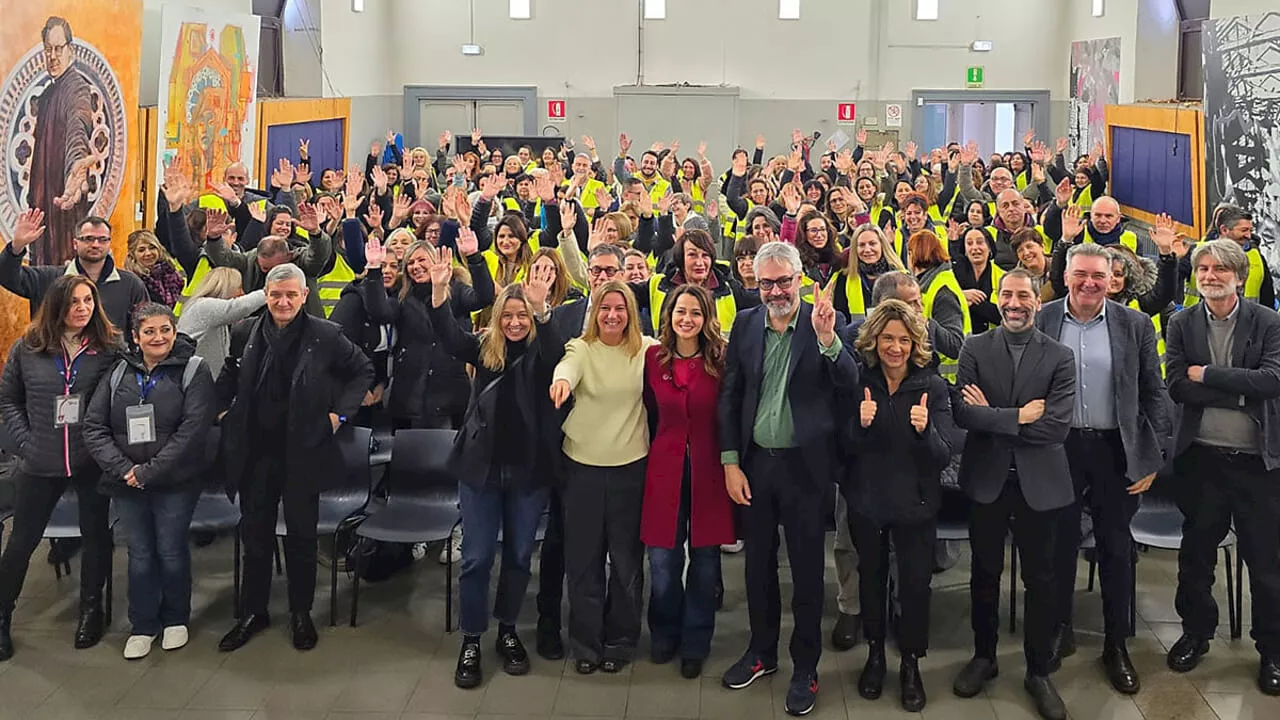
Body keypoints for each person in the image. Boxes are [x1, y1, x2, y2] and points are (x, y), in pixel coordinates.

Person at [719, 242, 858, 717]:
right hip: (755, 465)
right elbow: (731, 395)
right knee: (756, 569)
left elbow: (850, 385)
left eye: (784, 281)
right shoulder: (744, 324)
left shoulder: (825, 324)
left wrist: (828, 341)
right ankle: (761, 653)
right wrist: (730, 461)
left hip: (805, 468)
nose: (775, 291)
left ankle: (805, 667)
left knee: (804, 575)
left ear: (800, 278)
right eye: (766, 283)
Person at [215, 263, 372, 653]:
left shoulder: (326, 335)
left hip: (303, 450)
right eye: (275, 295)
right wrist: (221, 411)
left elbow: (362, 371)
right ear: (265, 296)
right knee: (255, 536)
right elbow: (228, 377)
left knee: (302, 537)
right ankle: (254, 612)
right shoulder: (244, 333)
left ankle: (301, 614)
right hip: (256, 452)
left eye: (291, 295)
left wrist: (340, 414)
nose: (283, 302)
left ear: (304, 296)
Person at [1035, 244, 1170, 694]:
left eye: (1098, 275)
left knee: (1116, 549)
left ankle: (1117, 644)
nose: (1089, 283)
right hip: (1060, 449)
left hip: (1115, 451)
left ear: (1113, 279)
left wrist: (1151, 457)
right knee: (1057, 546)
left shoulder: (1134, 324)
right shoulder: (1045, 318)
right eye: (1080, 274)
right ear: (1067, 275)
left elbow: (1153, 391)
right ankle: (1059, 631)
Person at [423, 246, 560, 688]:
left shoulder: (544, 353)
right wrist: (440, 290)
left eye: (523, 316)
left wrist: (542, 311)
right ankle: (472, 637)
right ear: (498, 318)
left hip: (528, 470)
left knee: (520, 556)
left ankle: (507, 630)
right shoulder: (485, 350)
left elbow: (558, 357)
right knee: (478, 557)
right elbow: (447, 336)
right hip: (480, 470)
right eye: (509, 316)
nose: (515, 322)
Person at [951, 268, 1076, 720]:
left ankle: (1038, 670)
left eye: (1023, 295)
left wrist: (997, 418)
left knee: (1040, 581)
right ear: (998, 300)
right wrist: (1019, 416)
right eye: (1007, 294)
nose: (1014, 302)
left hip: (1039, 485)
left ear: (1036, 301)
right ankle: (984, 657)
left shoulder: (1060, 356)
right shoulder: (974, 347)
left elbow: (1056, 427)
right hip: (987, 481)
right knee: (983, 575)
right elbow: (963, 414)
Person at [1165, 239, 1280, 696]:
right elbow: (1176, 385)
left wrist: (1208, 375)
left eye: (1219, 269)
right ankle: (1196, 634)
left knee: (1267, 563)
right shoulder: (1182, 323)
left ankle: (1272, 649)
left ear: (1238, 274)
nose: (1209, 276)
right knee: (1196, 557)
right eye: (1203, 268)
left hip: (1258, 464)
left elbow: (1272, 381)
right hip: (1202, 460)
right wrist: (1239, 392)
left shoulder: (1268, 322)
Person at [81, 303, 216, 660]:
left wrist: (148, 471)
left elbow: (192, 430)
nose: (159, 338)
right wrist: (125, 469)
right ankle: (143, 623)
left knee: (171, 550)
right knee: (139, 553)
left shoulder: (193, 370)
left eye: (165, 330)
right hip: (124, 480)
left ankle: (175, 618)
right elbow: (94, 427)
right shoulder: (117, 372)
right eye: (150, 332)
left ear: (175, 332)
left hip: (175, 481)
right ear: (136, 337)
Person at [0, 276, 122, 661]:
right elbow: (8, 401)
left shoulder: (109, 347)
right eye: (73, 302)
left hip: (90, 459)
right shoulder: (29, 348)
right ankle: (2, 617)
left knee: (96, 535)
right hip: (40, 460)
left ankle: (91, 611)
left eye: (88, 300)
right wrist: (24, 443)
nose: (82, 308)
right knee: (22, 542)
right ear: (56, 307)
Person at [846, 299, 956, 712]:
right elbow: (845, 448)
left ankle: (911, 662)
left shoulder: (932, 387)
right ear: (875, 340)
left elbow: (944, 455)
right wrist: (861, 423)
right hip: (868, 502)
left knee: (914, 586)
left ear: (915, 344)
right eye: (888, 338)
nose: (895, 347)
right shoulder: (859, 383)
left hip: (916, 504)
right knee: (871, 580)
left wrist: (925, 432)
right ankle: (875, 655)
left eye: (904, 340)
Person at [549, 281, 659, 674]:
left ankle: (621, 639)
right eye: (604, 308)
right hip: (582, 470)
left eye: (620, 308)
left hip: (631, 469)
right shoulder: (581, 348)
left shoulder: (646, 349)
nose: (612, 315)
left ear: (631, 312)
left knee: (627, 563)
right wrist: (562, 380)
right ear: (594, 312)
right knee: (583, 562)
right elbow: (568, 366)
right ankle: (586, 643)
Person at [535, 243, 628, 662]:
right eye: (596, 270)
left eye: (611, 270)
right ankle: (556, 626)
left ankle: (614, 635)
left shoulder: (636, 327)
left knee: (621, 557)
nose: (603, 277)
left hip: (625, 459)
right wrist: (562, 381)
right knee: (565, 547)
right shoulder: (569, 317)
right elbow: (562, 360)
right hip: (568, 451)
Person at [642, 284, 734, 680]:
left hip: (710, 470)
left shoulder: (721, 360)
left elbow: (731, 416)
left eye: (695, 313)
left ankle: (696, 641)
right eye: (681, 311)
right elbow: (645, 411)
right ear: (669, 315)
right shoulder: (652, 358)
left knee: (706, 563)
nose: (687, 319)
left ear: (706, 318)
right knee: (663, 561)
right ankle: (664, 630)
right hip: (664, 468)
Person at [2, 211, 149, 332]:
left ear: (109, 243)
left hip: (111, 364)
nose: (95, 244)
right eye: (88, 239)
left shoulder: (130, 284)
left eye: (102, 239)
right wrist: (16, 247)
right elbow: (6, 276)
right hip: (57, 363)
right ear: (75, 243)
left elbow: (144, 325)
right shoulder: (48, 279)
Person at [28, 16, 97, 265]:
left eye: (59, 49)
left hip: (63, 220)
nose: (53, 56)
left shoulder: (76, 89)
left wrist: (74, 166)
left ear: (71, 50)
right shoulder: (48, 95)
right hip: (44, 214)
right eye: (48, 49)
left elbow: (78, 127)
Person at [175, 267, 266, 378]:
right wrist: (270, 291)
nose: (242, 293)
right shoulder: (204, 307)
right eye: (239, 288)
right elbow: (241, 307)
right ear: (226, 287)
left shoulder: (216, 317)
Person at [953, 226, 1003, 334]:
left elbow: (1003, 315)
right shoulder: (952, 273)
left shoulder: (1002, 277)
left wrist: (973, 303)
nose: (975, 248)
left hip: (994, 339)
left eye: (980, 242)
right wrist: (961, 295)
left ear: (989, 247)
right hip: (961, 339)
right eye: (969, 243)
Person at [125, 230, 186, 308]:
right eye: (141, 250)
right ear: (133, 254)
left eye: (152, 248)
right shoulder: (132, 281)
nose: (148, 253)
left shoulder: (172, 272)